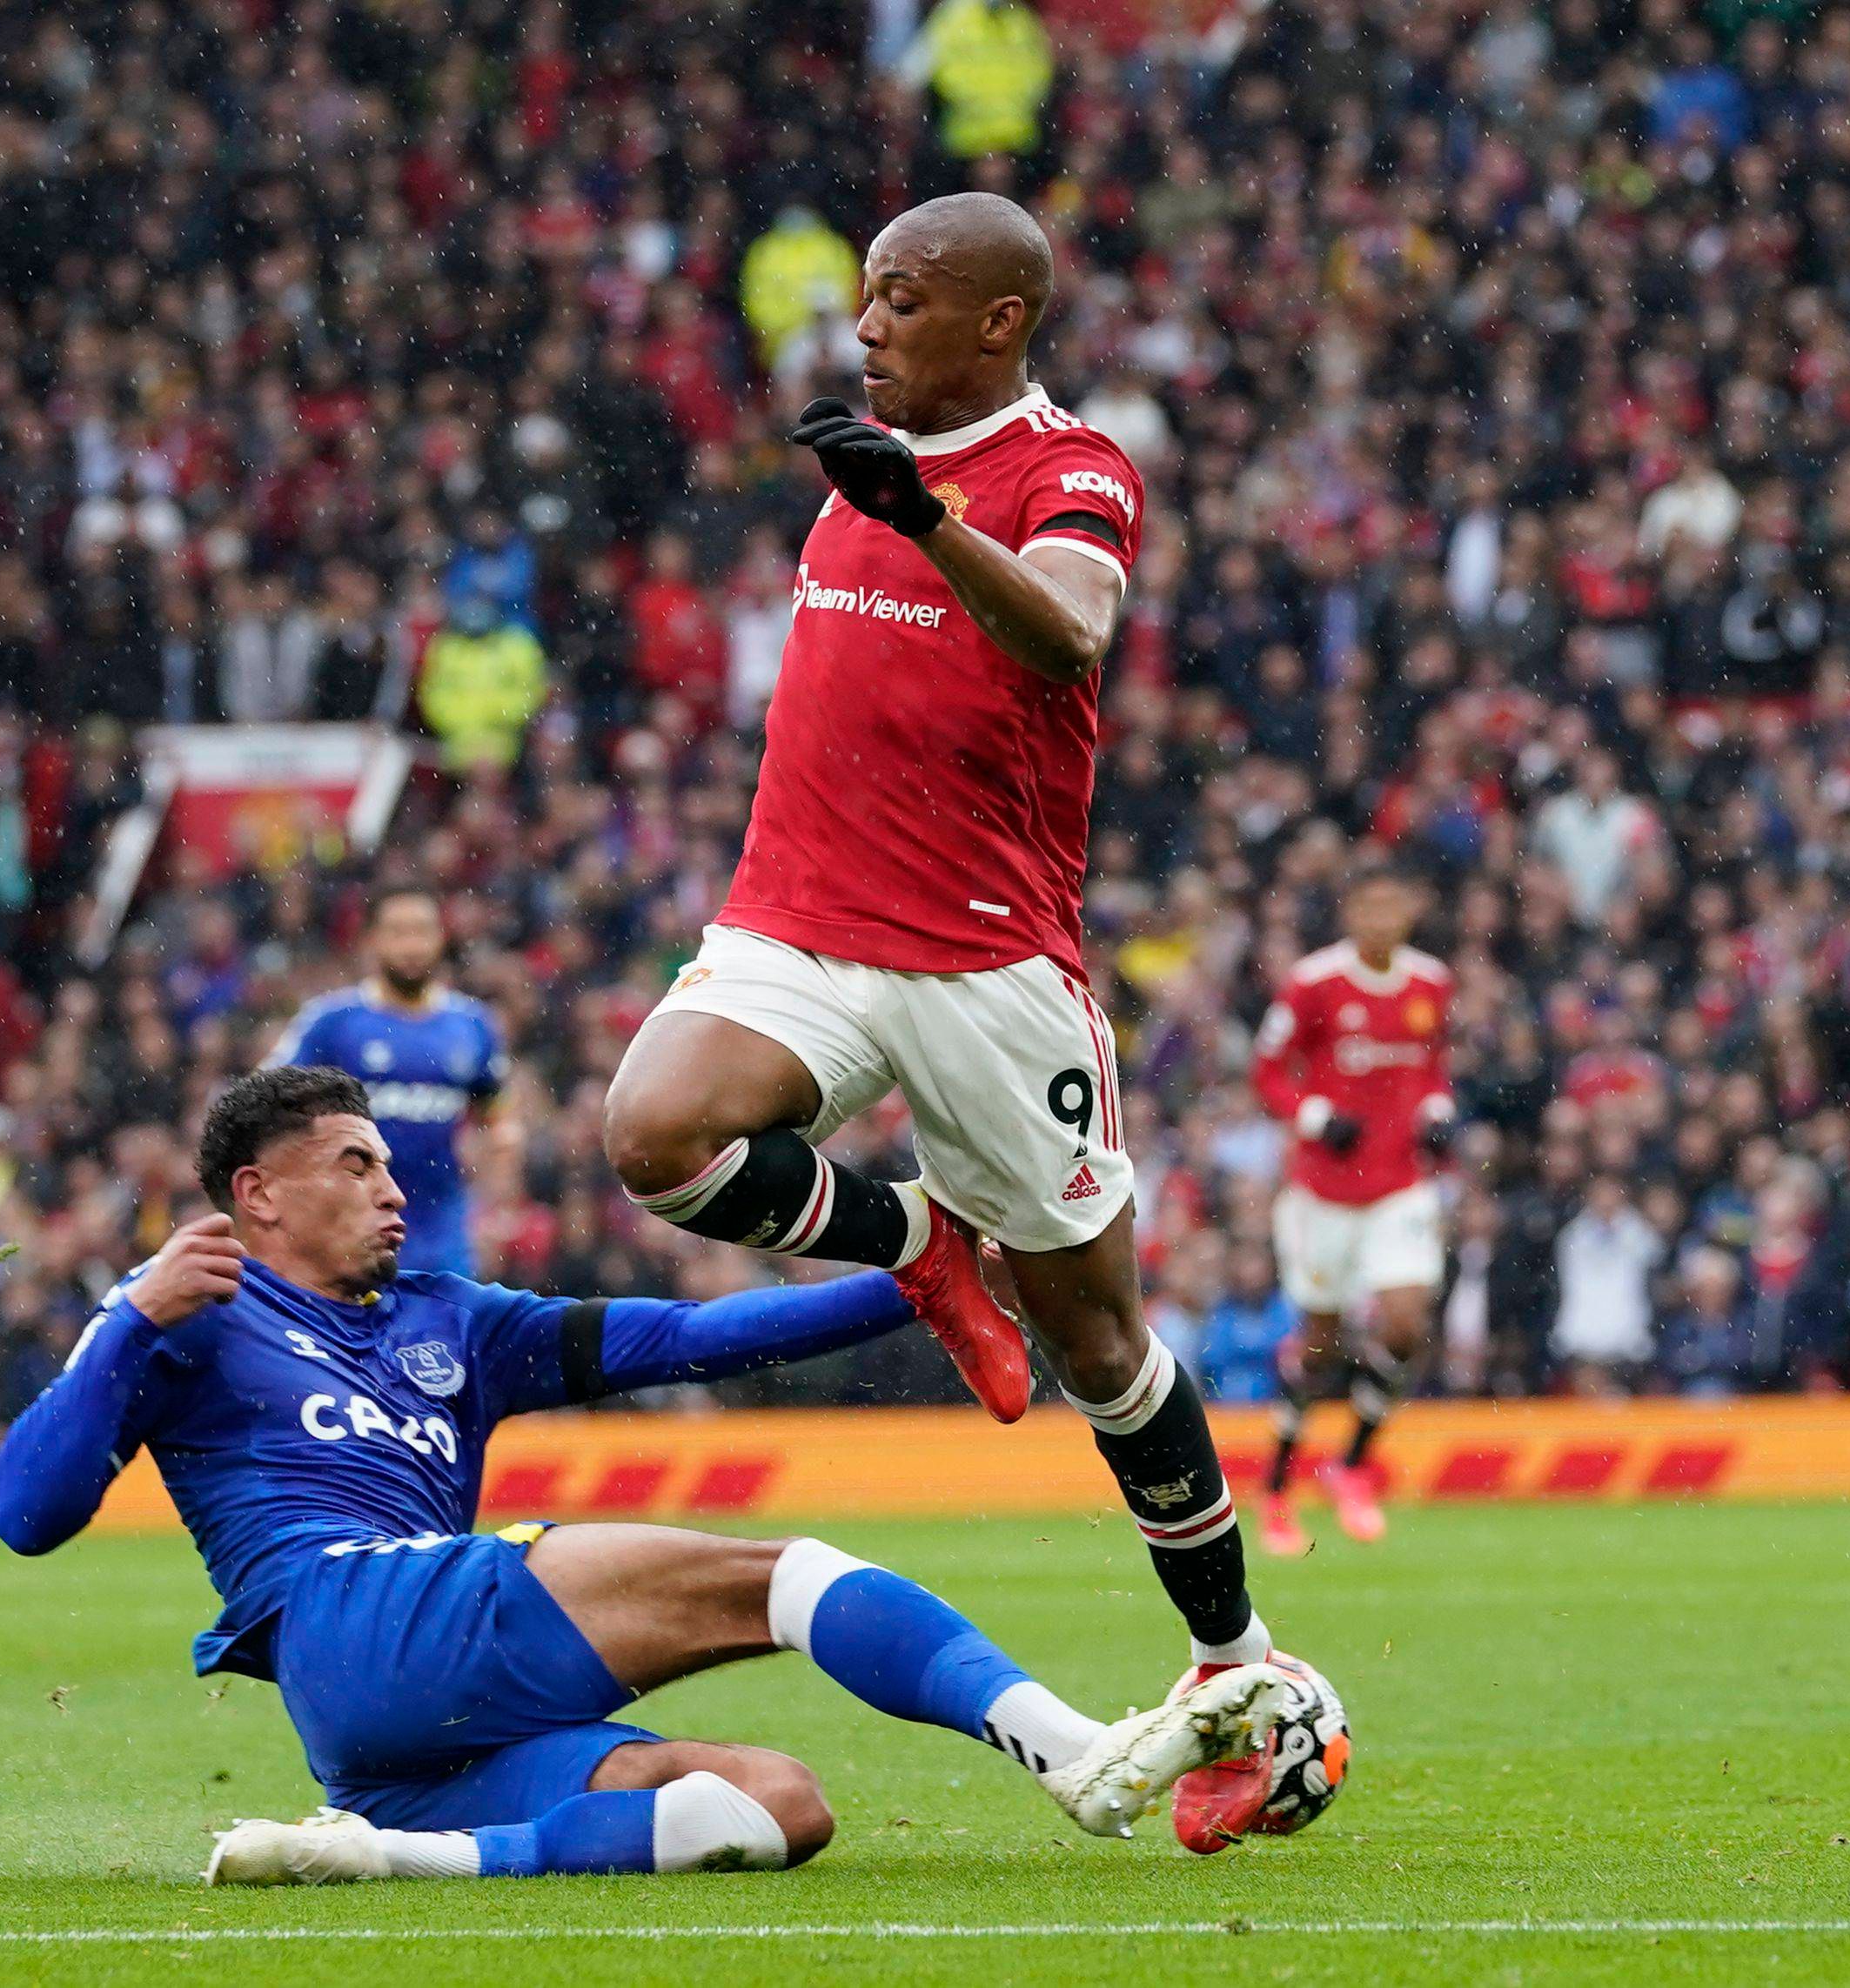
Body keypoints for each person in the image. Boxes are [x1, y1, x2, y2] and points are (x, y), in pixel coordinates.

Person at [600, 191, 1277, 1852]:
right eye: (864, 300)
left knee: (1101, 1347)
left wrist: (921, 519)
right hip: (800, 922)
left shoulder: (1073, 469)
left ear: (997, 320)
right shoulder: (861, 468)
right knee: (653, 1134)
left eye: (903, 302)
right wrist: (889, 500)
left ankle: (1234, 1664)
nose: (868, 328)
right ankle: (915, 1240)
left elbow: (1068, 638)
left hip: (985, 963)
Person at [0, 1067, 1285, 1884]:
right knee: (785, 1576)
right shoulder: (193, 1320)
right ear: (255, 1196)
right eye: (359, 1165)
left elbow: (685, 1337)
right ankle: (1079, 1759)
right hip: (345, 1613)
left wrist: (913, 1282)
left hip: (395, 1740)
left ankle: (393, 1854)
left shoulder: (450, 1318)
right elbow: (28, 1515)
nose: (397, 1187)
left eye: (390, 1162)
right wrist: (125, 1317)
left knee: (770, 1808)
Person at [1251, 862, 1454, 1555]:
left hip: (1400, 1183)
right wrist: (1314, 1117)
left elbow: (1432, 1066)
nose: (1380, 920)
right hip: (1324, 1192)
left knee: (1404, 1320)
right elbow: (1268, 1068)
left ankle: (1352, 1463)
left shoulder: (1431, 981)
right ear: (1350, 913)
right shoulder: (1315, 983)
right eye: (1368, 906)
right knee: (1320, 1344)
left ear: (1408, 911)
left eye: (1392, 905)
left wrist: (1436, 1110)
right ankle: (1278, 1483)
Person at [264, 889, 506, 1276]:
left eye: (422, 931)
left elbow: (499, 1121)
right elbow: (266, 1104)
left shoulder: (473, 1025)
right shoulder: (332, 1023)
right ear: (372, 940)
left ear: (441, 938)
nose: (412, 945)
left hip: (442, 1228)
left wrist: (495, 1208)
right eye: (398, 932)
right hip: (347, 1223)